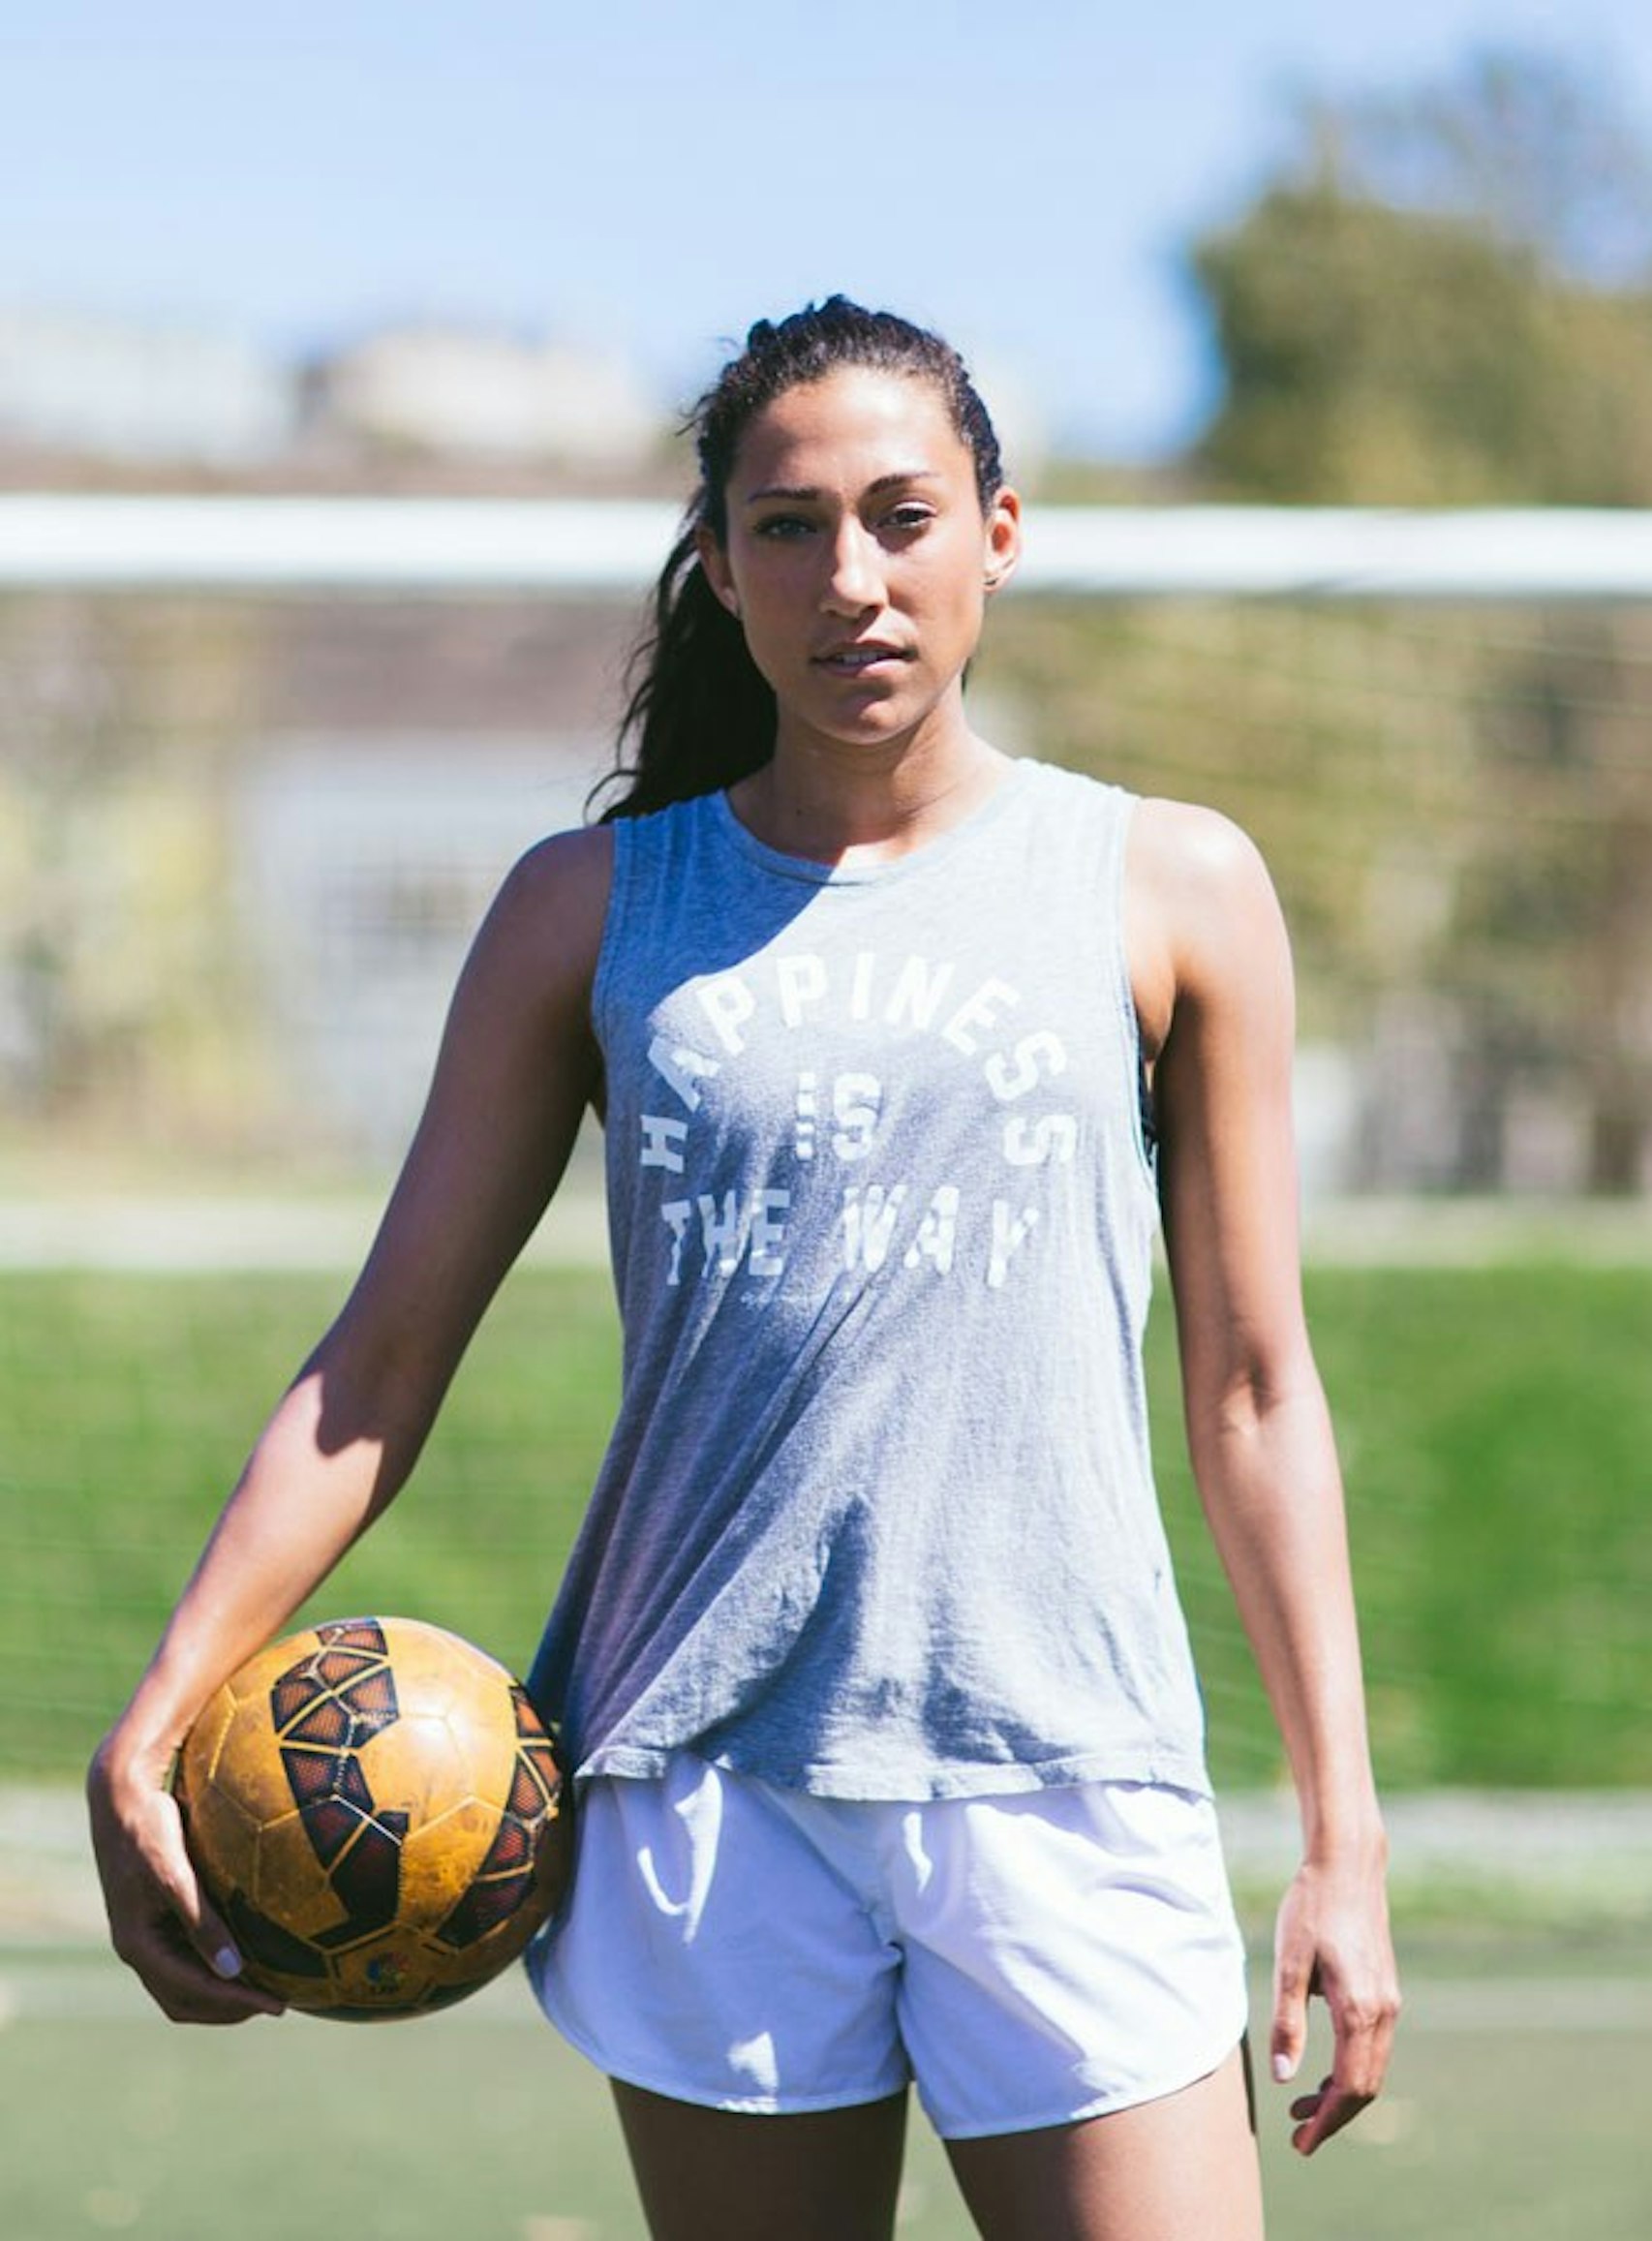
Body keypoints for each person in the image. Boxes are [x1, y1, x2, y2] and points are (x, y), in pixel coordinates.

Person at [87, 296, 1399, 2240]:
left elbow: (1255, 1390)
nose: (850, 577)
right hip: (707, 1798)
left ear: (1000, 533)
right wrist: (162, 1704)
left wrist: (1344, 1839)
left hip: (1065, 1776)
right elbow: (379, 1365)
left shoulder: (1169, 884)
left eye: (903, 514)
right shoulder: (590, 907)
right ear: (718, 562)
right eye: (789, 526)